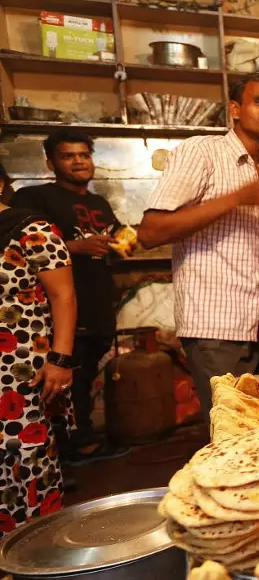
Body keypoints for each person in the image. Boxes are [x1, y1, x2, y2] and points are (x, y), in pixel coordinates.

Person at [138, 72, 259, 424]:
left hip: (258, 323)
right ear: (235, 109)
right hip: (213, 327)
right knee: (233, 431)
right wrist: (235, 199)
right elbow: (150, 231)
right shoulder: (201, 152)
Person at [11, 130, 128, 467]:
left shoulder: (99, 203)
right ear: (50, 162)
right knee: (57, 382)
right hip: (55, 310)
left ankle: (82, 441)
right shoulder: (33, 198)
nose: (78, 161)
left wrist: (128, 242)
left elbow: (123, 243)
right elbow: (22, 246)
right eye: (68, 156)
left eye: (84, 155)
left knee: (86, 375)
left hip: (96, 303)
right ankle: (65, 451)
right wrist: (76, 247)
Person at [0, 162, 77, 537]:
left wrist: (61, 359)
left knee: (24, 455)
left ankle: (32, 544)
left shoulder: (31, 229)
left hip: (18, 367)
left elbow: (64, 296)